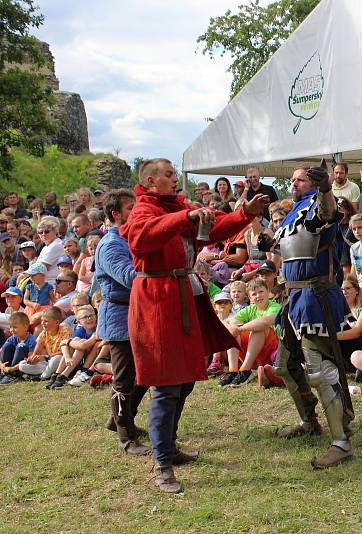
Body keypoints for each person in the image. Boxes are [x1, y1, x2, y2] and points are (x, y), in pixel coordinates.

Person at [122, 158, 267, 492]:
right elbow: (142, 238)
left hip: (181, 298)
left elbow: (212, 229)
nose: (175, 179)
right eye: (169, 175)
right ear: (150, 180)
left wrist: (246, 214)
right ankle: (161, 465)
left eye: (175, 173)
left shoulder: (179, 207)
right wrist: (183, 217)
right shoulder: (143, 210)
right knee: (166, 384)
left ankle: (168, 447)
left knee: (184, 381)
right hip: (156, 303)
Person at [271, 163, 354, 469]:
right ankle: (309, 420)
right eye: (291, 178)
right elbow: (296, 250)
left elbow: (329, 214)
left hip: (314, 296)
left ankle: (341, 442)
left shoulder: (320, 202)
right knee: (284, 365)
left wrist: (326, 187)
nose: (294, 182)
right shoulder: (293, 210)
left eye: (301, 178)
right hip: (292, 295)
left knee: (318, 370)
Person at [94, 189, 150, 454]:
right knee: (125, 377)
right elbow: (129, 277)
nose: (135, 212)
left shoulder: (129, 240)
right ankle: (126, 437)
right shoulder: (111, 244)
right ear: (116, 214)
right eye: (130, 208)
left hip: (136, 313)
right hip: (119, 315)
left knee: (145, 372)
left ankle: (119, 419)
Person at [220, 278, 280, 388]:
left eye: (261, 292)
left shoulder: (275, 306)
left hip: (272, 352)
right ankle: (233, 371)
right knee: (233, 331)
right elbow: (229, 321)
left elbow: (266, 321)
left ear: (268, 292)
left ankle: (245, 370)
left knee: (259, 328)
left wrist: (240, 329)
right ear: (250, 297)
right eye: (254, 294)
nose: (258, 296)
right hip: (254, 355)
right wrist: (233, 328)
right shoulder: (250, 309)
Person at [337, 274, 362, 373]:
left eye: (347, 288)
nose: (344, 292)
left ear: (356, 290)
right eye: (342, 289)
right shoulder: (340, 307)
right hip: (351, 348)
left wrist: (331, 337)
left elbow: (356, 332)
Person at [0, 312, 37, 385]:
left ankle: (14, 374)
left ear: (26, 327)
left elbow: (29, 361)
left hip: (20, 367)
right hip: (9, 367)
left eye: (15, 327)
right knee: (7, 346)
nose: (12, 330)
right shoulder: (11, 338)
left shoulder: (32, 340)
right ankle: (5, 373)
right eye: (10, 327)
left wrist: (13, 369)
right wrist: (1, 365)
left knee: (21, 346)